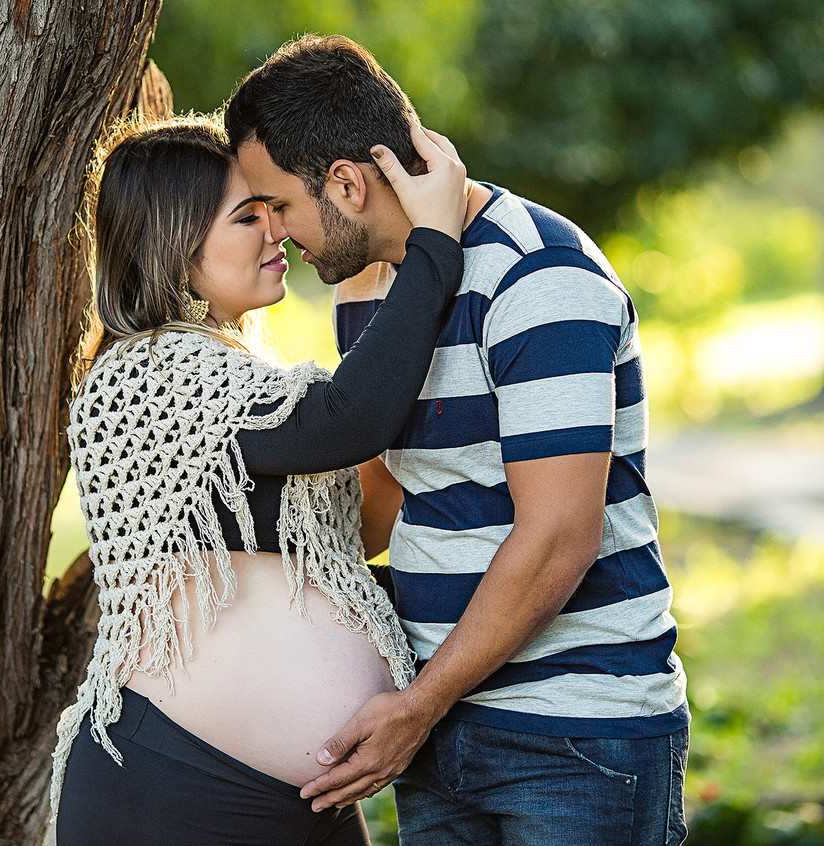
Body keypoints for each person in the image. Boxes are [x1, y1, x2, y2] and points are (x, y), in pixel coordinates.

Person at [225, 34, 690, 846]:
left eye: (280, 205)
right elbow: (399, 489)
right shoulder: (373, 286)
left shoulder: (538, 276)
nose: (277, 234)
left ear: (346, 183)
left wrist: (418, 703)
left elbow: (558, 536)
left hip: (576, 736)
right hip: (436, 727)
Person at [49, 114, 467, 845]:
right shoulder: (149, 373)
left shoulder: (242, 377)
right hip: (175, 791)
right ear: (174, 243)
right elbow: (348, 421)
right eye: (249, 217)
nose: (277, 232)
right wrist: (431, 246)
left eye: (275, 212)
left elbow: (354, 521)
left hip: (310, 799)